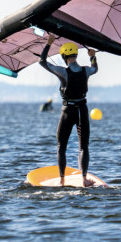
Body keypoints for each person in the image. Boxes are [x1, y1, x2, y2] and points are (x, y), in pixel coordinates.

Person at [39, 35, 97, 187]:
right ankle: (84, 179)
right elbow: (95, 69)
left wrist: (49, 44)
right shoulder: (86, 70)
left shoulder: (63, 71)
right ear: (76, 55)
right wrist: (92, 56)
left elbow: (42, 62)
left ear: (64, 56)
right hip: (82, 111)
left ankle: (62, 181)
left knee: (61, 146)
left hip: (68, 111)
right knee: (83, 146)